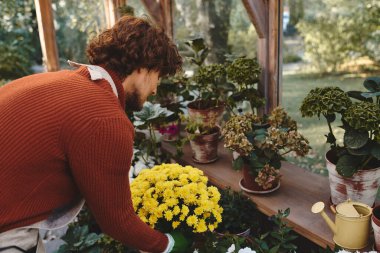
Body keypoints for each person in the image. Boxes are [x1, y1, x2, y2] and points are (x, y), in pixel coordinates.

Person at [0, 15, 188, 252]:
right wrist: (169, 245)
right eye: (157, 76)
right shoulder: (104, 117)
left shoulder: (61, 82)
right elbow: (117, 222)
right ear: (143, 68)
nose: (155, 88)